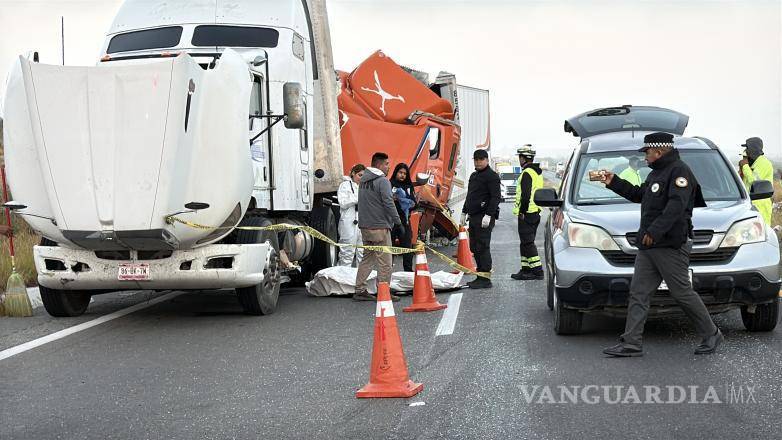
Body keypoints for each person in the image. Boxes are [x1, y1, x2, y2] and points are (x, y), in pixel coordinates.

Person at [598, 132, 722, 357]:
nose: (644, 156)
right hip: (649, 245)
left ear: (659, 151)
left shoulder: (679, 171)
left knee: (681, 292)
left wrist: (654, 232)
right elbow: (640, 195)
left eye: (647, 152)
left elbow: (676, 206)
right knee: (639, 293)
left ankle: (711, 333)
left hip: (669, 245)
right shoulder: (656, 173)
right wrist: (613, 182)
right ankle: (631, 343)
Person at [354, 152, 402, 302]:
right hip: (380, 226)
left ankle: (360, 289)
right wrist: (398, 222)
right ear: (379, 165)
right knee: (385, 262)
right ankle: (384, 291)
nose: (389, 167)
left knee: (367, 258)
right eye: (387, 164)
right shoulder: (382, 181)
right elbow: (388, 202)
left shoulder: (363, 181)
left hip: (365, 226)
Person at [460, 149, 501, 289]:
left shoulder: (492, 176)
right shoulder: (474, 176)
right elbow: (470, 195)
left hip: (484, 217)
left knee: (483, 247)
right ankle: (480, 275)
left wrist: (489, 215)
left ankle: (485, 279)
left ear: (487, 160)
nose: (478, 162)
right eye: (476, 160)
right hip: (473, 216)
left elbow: (495, 197)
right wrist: (464, 211)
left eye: (481, 159)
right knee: (474, 247)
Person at [511, 145, 545, 280]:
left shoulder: (526, 173)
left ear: (523, 158)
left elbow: (525, 195)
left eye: (520, 157)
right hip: (535, 211)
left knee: (528, 243)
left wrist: (522, 211)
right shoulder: (537, 173)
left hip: (527, 213)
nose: (519, 160)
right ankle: (526, 269)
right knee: (525, 242)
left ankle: (537, 271)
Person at [739, 137, 774, 225]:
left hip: (761, 206)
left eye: (747, 148)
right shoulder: (753, 163)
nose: (745, 151)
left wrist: (745, 166)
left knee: (762, 230)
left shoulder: (764, 163)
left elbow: (754, 182)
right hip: (749, 204)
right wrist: (741, 172)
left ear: (753, 149)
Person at [337, 163, 365, 267]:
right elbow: (343, 203)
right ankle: (343, 275)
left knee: (362, 253)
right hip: (348, 222)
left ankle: (360, 276)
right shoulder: (345, 185)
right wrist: (357, 199)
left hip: (362, 222)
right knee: (347, 253)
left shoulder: (364, 187)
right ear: (353, 173)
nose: (361, 178)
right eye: (360, 175)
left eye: (363, 176)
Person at [390, 162, 417, 272]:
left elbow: (414, 203)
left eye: (405, 174)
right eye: (400, 172)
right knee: (389, 249)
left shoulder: (409, 187)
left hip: (404, 221)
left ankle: (408, 272)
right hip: (391, 221)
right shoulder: (389, 184)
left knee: (407, 247)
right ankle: (386, 274)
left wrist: (404, 201)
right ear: (396, 172)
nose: (402, 175)